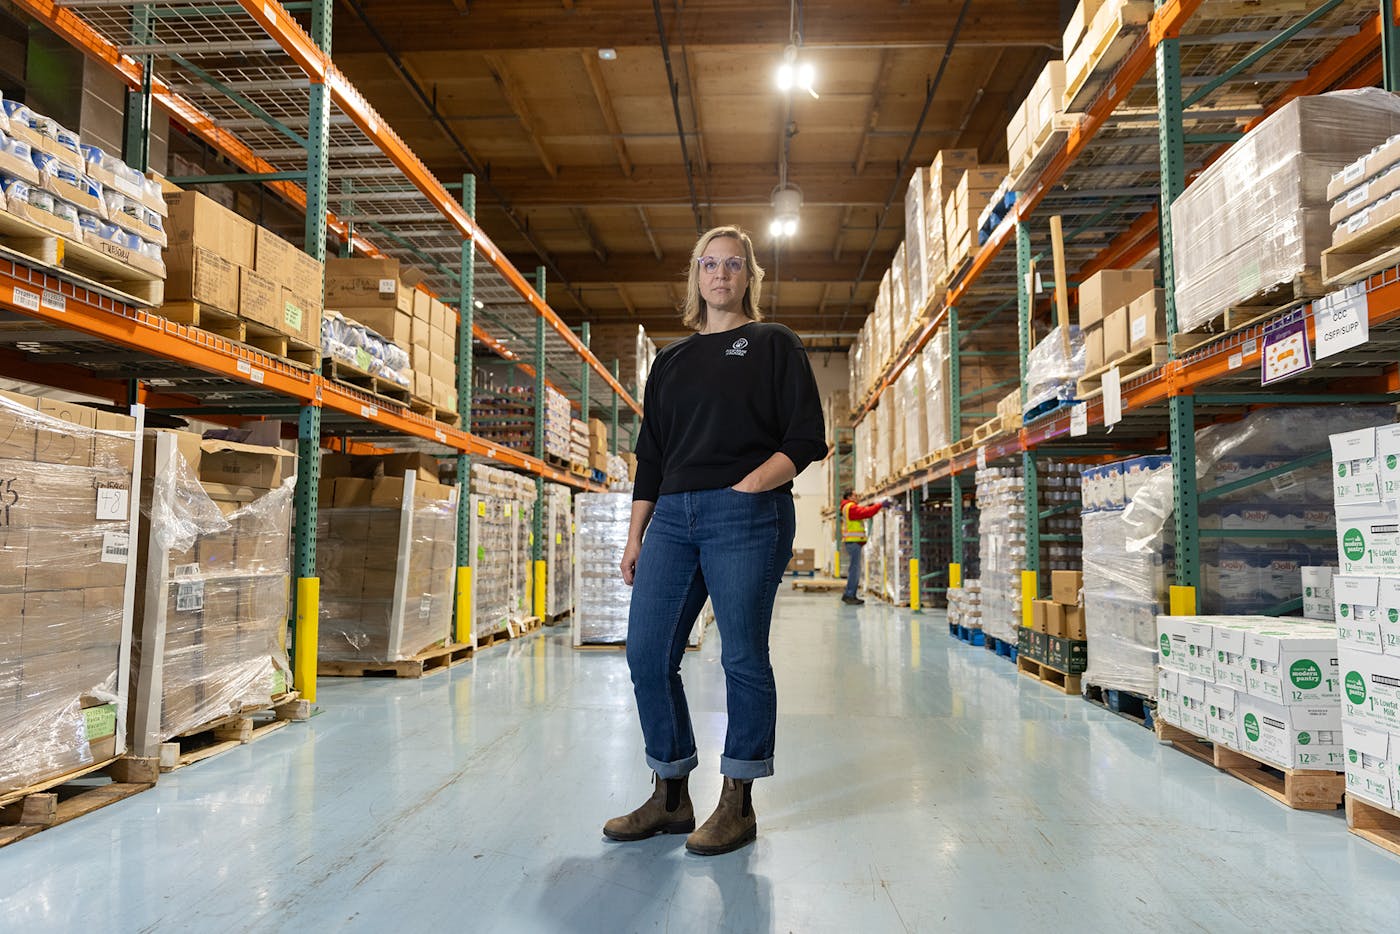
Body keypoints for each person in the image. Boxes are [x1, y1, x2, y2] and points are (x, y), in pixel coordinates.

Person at [603, 225, 826, 856]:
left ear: (749, 276)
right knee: (647, 653)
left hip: (745, 516)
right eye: (709, 264)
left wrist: (753, 485)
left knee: (742, 658)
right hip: (671, 518)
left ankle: (739, 801)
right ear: (695, 276)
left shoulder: (773, 344)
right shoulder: (671, 361)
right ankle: (671, 795)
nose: (720, 275)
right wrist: (635, 535)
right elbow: (651, 456)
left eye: (733, 265)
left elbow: (806, 437)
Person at [838, 490, 891, 606]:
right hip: (853, 542)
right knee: (854, 570)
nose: (857, 497)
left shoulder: (848, 507)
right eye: (855, 495)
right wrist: (880, 505)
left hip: (853, 542)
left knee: (854, 569)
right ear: (849, 497)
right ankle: (850, 595)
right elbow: (865, 512)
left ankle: (849, 593)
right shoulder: (850, 507)